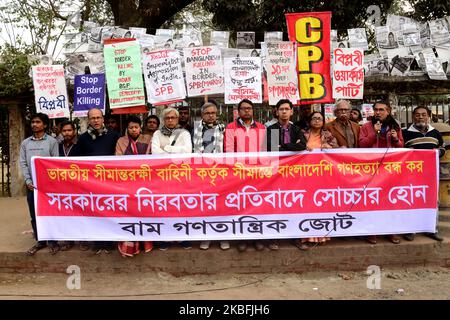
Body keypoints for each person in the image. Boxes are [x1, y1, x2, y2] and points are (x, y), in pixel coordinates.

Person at [224, 99, 266, 252]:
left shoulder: (262, 127)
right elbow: (228, 151)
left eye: (249, 108)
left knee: (257, 205)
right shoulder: (230, 127)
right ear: (238, 111)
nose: (247, 111)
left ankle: (257, 237)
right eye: (244, 109)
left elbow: (268, 152)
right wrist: (240, 169)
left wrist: (260, 170)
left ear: (253, 110)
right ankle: (242, 237)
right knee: (240, 206)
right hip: (238, 173)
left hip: (258, 173)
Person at [359, 101, 404, 245]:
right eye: (376, 110)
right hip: (372, 169)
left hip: (390, 169)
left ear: (388, 111)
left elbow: (401, 145)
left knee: (390, 200)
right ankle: (373, 232)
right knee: (373, 200)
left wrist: (396, 138)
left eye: (381, 110)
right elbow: (362, 144)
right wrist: (374, 132)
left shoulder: (395, 126)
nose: (378, 112)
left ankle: (391, 231)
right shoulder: (366, 126)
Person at [77, 108, 120, 254]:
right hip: (91, 183)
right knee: (94, 211)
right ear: (89, 120)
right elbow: (76, 161)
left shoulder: (114, 136)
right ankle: (97, 241)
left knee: (109, 211)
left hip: (110, 182)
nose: (96, 120)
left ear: (103, 119)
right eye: (92, 118)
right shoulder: (82, 139)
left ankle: (109, 241)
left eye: (98, 117)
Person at [294, 112, 338, 250]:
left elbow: (337, 150)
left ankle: (320, 236)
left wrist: (329, 148)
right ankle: (303, 237)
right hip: (303, 175)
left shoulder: (328, 135)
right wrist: (301, 147)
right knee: (304, 205)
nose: (317, 121)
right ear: (310, 121)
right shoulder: (302, 133)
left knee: (320, 204)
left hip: (322, 175)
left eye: (320, 118)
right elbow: (295, 147)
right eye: (314, 118)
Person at [151, 107, 193, 250]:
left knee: (181, 206)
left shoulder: (184, 133)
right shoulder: (157, 133)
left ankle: (183, 238)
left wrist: (167, 149)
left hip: (180, 176)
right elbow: (155, 153)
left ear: (177, 119)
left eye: (173, 118)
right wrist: (176, 151)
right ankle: (165, 238)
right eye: (167, 118)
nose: (170, 120)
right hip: (162, 177)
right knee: (164, 207)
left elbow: (187, 151)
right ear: (163, 120)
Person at [402, 106, 445, 242]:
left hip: (431, 174)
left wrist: (438, 152)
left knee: (433, 201)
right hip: (412, 174)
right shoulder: (405, 133)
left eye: (424, 115)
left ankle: (431, 229)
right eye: (417, 115)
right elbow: (401, 152)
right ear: (413, 117)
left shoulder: (436, 133)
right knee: (412, 200)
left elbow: (442, 148)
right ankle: (410, 230)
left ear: (428, 117)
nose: (421, 117)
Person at [19, 113, 59, 255]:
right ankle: (40, 240)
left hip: (48, 186)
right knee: (34, 214)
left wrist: (50, 183)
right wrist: (28, 181)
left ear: (45, 125)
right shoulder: (25, 143)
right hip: (32, 186)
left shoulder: (52, 142)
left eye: (38, 122)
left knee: (50, 212)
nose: (34, 124)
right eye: (33, 122)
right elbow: (23, 163)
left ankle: (53, 241)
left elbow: (56, 163)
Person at [192, 101, 230, 251]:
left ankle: (223, 237)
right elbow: (196, 150)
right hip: (204, 173)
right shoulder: (196, 128)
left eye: (213, 113)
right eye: (207, 113)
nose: (210, 116)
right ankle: (206, 237)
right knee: (206, 205)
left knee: (222, 205)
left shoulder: (223, 128)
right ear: (202, 115)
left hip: (221, 172)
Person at [115, 116, 154, 257]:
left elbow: (151, 157)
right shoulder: (121, 141)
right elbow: (118, 160)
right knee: (129, 213)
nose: (134, 130)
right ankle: (129, 247)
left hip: (145, 182)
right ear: (127, 128)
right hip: (127, 184)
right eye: (131, 127)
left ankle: (146, 244)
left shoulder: (148, 139)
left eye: (136, 127)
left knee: (145, 213)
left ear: (140, 127)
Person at [58, 120, 80, 251]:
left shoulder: (80, 145)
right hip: (62, 184)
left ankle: (83, 240)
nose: (67, 133)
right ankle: (69, 239)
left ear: (74, 132)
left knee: (80, 211)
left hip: (78, 184)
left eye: (69, 130)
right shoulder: (57, 145)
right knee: (66, 211)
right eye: (64, 131)